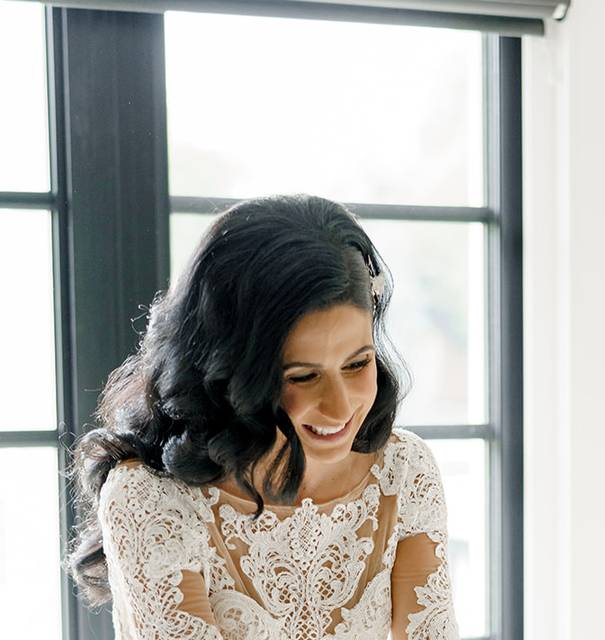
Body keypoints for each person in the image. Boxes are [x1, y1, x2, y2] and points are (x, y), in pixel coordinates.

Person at [64, 194, 460, 640]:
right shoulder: (149, 497)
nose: (341, 406)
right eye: (304, 376)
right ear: (232, 370)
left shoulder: (404, 472)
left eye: (357, 364)